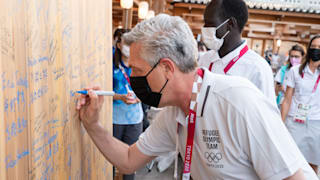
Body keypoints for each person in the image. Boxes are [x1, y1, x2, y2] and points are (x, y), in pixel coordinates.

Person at [77, 14, 318, 180]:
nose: (133, 79)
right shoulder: (174, 113)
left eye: (138, 71)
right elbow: (129, 160)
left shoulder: (238, 102)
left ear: (167, 68)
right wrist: (92, 124)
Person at [200, 0, 276, 104]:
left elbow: (268, 116)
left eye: (210, 24)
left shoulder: (257, 68)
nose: (204, 29)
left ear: (230, 24)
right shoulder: (205, 59)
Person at [281, 35, 320, 174]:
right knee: (291, 162)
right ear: (309, 49)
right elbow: (287, 99)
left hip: (316, 124)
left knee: (313, 164)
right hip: (295, 122)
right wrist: (281, 123)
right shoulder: (295, 71)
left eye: (319, 48)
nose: (316, 50)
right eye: (313, 47)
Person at [112, 28, 143, 180]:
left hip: (135, 120)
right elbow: (104, 92)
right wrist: (119, 97)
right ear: (118, 45)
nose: (129, 47)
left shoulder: (141, 63)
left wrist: (140, 98)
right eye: (126, 43)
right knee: (111, 160)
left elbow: (151, 89)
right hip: (115, 120)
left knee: (131, 163)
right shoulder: (111, 64)